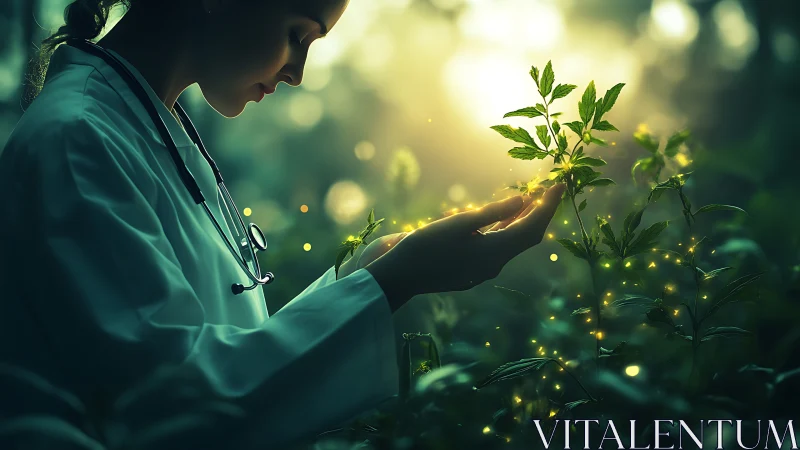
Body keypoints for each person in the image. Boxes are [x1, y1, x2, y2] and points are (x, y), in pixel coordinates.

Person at [0, 0, 566, 447]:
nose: (297, 72)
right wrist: (395, 281)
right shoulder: (78, 140)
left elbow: (224, 355)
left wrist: (375, 274)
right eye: (298, 35)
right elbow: (169, 409)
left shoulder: (148, 126)